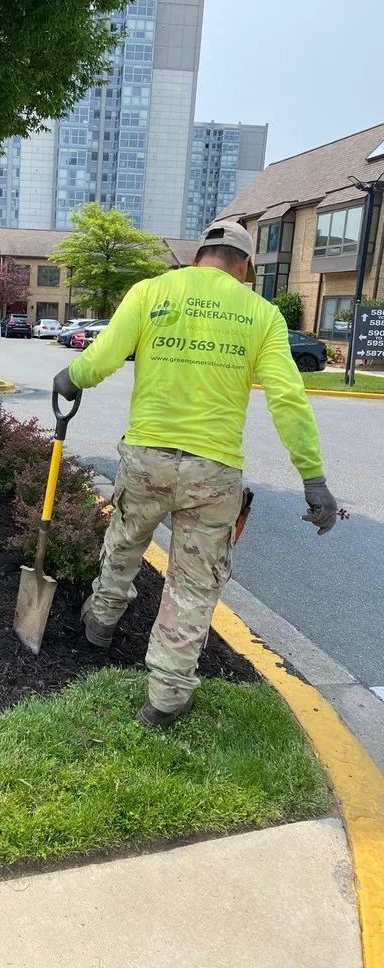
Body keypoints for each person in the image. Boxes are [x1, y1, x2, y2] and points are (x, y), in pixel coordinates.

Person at [53, 220, 337, 729]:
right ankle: (165, 698)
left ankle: (99, 625)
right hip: (213, 472)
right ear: (245, 266)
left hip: (147, 459)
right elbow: (288, 400)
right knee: (192, 583)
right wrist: (312, 479)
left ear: (200, 253)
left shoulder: (151, 291)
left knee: (123, 543)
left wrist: (69, 378)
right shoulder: (261, 313)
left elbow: (100, 359)